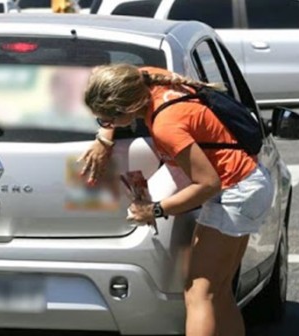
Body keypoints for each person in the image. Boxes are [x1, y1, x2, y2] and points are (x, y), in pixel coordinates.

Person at [79, 64, 274, 336]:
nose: (105, 125)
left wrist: (155, 210)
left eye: (106, 120)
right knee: (218, 290)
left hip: (234, 191)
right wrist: (105, 138)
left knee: (198, 292)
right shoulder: (146, 77)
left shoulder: (166, 125)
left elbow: (208, 183)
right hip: (247, 184)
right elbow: (110, 71)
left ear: (126, 108)